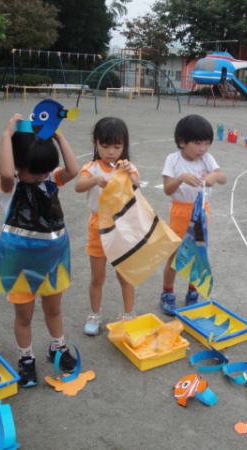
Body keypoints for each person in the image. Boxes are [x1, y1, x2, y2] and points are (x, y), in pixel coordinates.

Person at [0, 114, 79, 388]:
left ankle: (58, 346)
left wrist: (58, 135)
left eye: (46, 170)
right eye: (35, 171)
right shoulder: (10, 186)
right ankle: (26, 358)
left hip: (53, 260)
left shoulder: (50, 179)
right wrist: (7, 135)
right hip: (20, 264)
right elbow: (6, 173)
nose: (42, 176)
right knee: (24, 316)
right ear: (19, 166)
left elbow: (73, 170)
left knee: (53, 309)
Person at [75, 117, 139, 335]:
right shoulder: (91, 167)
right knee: (97, 277)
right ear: (95, 143)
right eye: (105, 146)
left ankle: (129, 314)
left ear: (124, 146)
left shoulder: (126, 167)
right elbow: (79, 186)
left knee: (125, 275)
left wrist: (129, 173)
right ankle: (94, 314)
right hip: (98, 227)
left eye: (117, 147)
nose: (111, 152)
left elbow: (136, 187)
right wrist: (95, 180)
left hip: (122, 226)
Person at [159, 114, 227, 315]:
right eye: (198, 143)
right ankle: (167, 293)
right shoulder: (173, 160)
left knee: (198, 255)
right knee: (175, 255)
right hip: (180, 212)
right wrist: (180, 178)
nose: (203, 149)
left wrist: (214, 175)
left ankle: (192, 293)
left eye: (206, 143)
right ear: (182, 142)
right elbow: (167, 190)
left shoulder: (207, 159)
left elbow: (223, 177)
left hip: (201, 212)